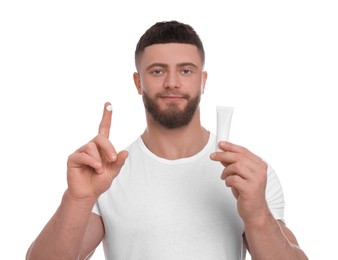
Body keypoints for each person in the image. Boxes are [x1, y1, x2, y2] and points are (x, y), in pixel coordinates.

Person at [26, 20, 308, 260]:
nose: (172, 82)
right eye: (158, 71)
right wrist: (77, 199)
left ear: (203, 80)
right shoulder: (107, 176)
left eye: (186, 71)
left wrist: (258, 214)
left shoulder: (248, 173)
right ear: (138, 83)